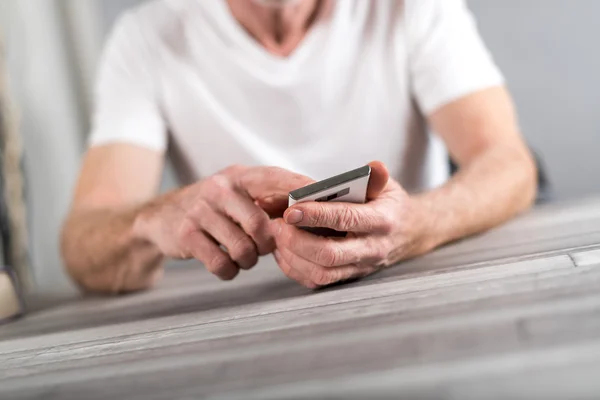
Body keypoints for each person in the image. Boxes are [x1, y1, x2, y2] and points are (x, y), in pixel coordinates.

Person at [61, 0, 537, 294]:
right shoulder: (146, 38)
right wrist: (151, 220)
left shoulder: (411, 6)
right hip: (246, 317)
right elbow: (82, 244)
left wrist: (416, 225)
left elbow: (509, 164)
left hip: (420, 282)